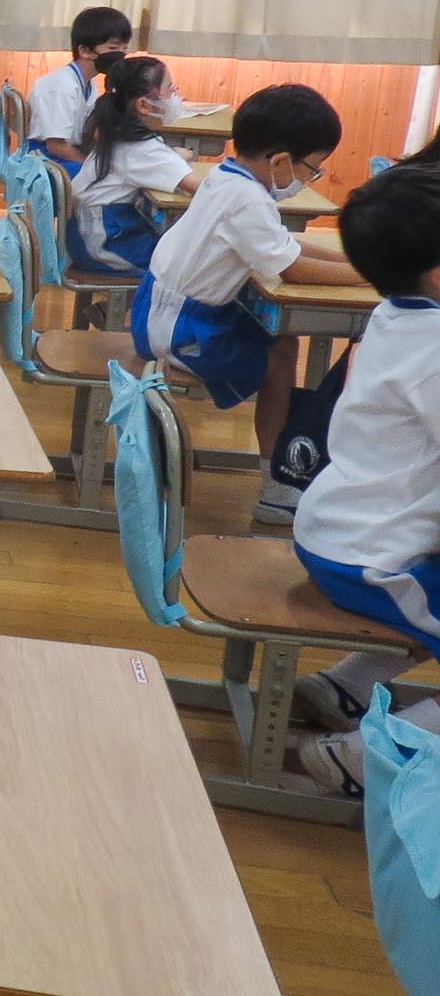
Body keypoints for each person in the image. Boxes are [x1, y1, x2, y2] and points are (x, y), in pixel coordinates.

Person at [132, 84, 366, 526]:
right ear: (280, 161)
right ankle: (278, 484)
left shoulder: (228, 179)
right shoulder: (247, 199)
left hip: (162, 312)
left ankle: (279, 466)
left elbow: (285, 244)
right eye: (312, 169)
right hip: (179, 329)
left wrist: (356, 259)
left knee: (284, 342)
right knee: (279, 355)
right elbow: (292, 268)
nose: (309, 180)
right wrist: (374, 276)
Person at [289, 163, 440, 797]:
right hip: (374, 558)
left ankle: (344, 686)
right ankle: (364, 757)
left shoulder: (396, 315)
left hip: (336, 531)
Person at [65, 56, 197, 273]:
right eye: (169, 88)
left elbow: (146, 160)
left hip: (87, 234)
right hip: (107, 242)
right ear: (143, 104)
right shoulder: (144, 148)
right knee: (186, 268)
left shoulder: (119, 133)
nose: (175, 93)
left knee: (179, 253)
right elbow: (197, 186)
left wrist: (175, 154)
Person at [25, 5, 132, 167]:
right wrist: (92, 167)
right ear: (85, 51)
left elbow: (88, 133)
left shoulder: (89, 83)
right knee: (112, 178)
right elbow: (56, 146)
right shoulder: (62, 87)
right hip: (47, 162)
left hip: (65, 154)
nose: (121, 54)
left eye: (124, 48)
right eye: (113, 48)